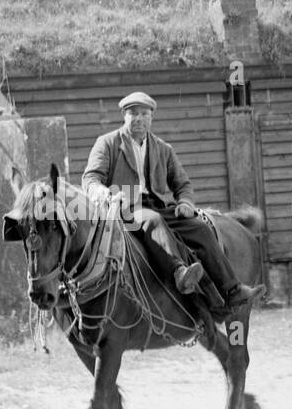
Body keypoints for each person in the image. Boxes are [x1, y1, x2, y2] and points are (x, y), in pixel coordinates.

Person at [83, 91, 259, 310]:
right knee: (154, 221)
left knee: (200, 228)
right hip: (124, 208)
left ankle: (232, 290)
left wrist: (185, 203)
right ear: (124, 116)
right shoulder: (107, 143)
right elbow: (90, 178)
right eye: (133, 113)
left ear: (151, 117)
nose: (138, 118)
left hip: (157, 205)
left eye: (144, 114)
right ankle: (180, 273)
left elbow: (182, 184)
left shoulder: (163, 149)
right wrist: (102, 193)